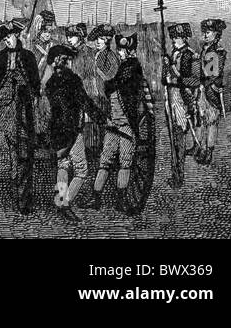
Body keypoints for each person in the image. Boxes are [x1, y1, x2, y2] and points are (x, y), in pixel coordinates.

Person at [0, 19, 40, 214]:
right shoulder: (0, 56)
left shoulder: (28, 57)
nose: (7, 41)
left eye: (9, 37)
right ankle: (7, 193)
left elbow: (36, 85)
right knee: (6, 154)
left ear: (16, 35)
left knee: (24, 154)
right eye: (5, 38)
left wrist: (25, 84)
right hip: (4, 112)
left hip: (23, 112)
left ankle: (24, 201)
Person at [43, 44, 101, 222]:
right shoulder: (73, 79)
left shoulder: (51, 83)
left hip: (56, 131)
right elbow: (84, 102)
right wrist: (101, 118)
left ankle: (59, 200)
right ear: (63, 61)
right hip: (71, 131)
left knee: (63, 166)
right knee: (82, 170)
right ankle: (64, 203)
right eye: (66, 59)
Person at [92, 31, 150, 207]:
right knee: (106, 159)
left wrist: (107, 79)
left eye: (124, 50)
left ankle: (121, 199)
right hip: (114, 121)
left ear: (130, 51)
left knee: (124, 161)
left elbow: (113, 84)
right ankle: (97, 197)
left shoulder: (132, 66)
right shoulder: (122, 66)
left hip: (126, 122)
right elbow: (110, 86)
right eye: (121, 50)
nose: (121, 53)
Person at [162, 21, 202, 179]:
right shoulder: (173, 53)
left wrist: (173, 72)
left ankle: (178, 175)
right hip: (171, 96)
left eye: (177, 37)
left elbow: (195, 81)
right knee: (174, 133)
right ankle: (176, 171)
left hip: (182, 98)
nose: (174, 40)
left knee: (178, 136)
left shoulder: (192, 55)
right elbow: (165, 78)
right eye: (173, 37)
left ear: (184, 38)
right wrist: (166, 68)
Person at [85, 24, 118, 165]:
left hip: (104, 96)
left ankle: (99, 153)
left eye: (102, 39)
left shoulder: (110, 56)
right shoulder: (94, 54)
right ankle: (91, 151)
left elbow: (112, 76)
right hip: (93, 94)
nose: (98, 41)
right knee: (89, 124)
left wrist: (97, 72)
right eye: (98, 38)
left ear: (108, 40)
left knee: (100, 125)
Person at [197, 18, 226, 165]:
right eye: (204, 33)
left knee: (212, 122)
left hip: (211, 91)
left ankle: (209, 152)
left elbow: (213, 75)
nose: (205, 35)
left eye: (208, 33)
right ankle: (202, 148)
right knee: (202, 122)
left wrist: (203, 84)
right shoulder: (205, 50)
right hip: (203, 90)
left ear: (216, 34)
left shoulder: (216, 51)